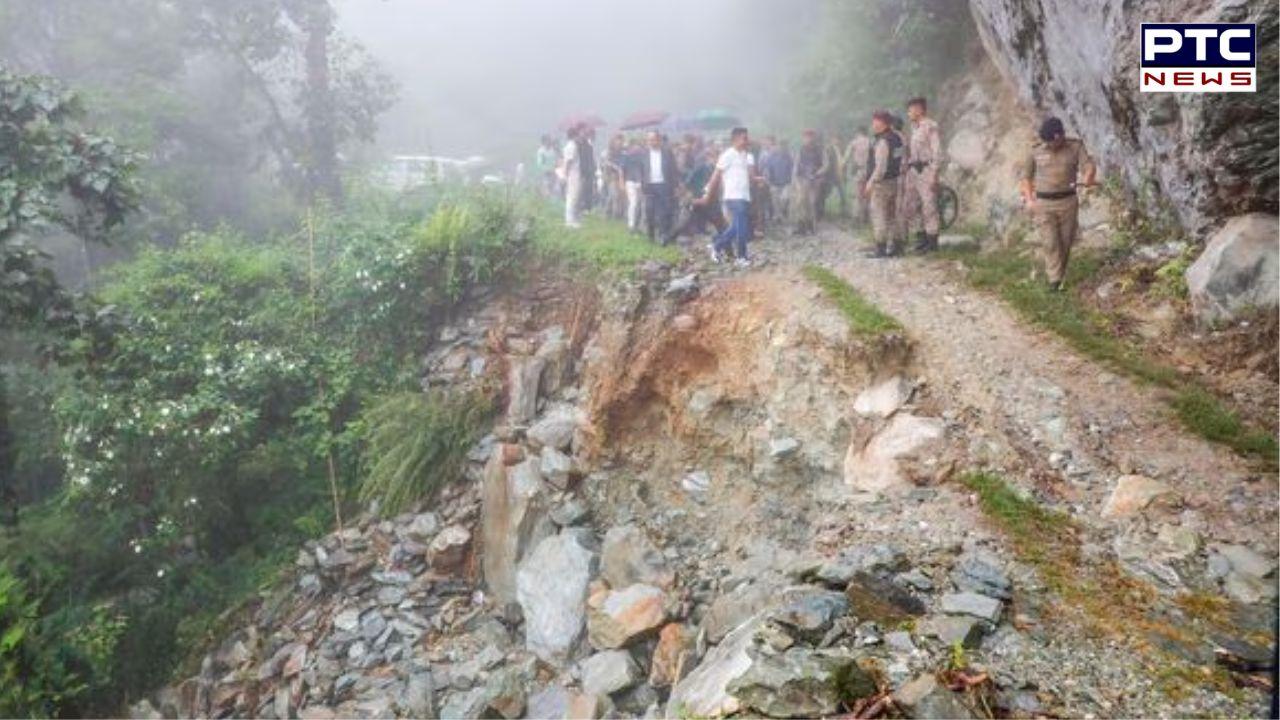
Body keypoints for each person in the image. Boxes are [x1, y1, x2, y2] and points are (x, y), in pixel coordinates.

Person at [1019, 116, 1097, 290]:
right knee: (1050, 241)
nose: (1048, 145)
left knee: (1065, 241)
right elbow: (1026, 178)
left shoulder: (1075, 147)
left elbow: (1088, 165)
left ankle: (1060, 275)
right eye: (1045, 141)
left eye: (1051, 141)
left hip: (1068, 201)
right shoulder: (1035, 151)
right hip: (1044, 203)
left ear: (1060, 136)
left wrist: (1088, 177)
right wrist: (1030, 199)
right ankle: (1054, 281)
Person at [698, 126, 756, 266]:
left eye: (747, 138)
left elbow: (747, 176)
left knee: (736, 227)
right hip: (733, 196)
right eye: (744, 138)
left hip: (743, 195)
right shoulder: (727, 155)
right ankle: (741, 256)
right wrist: (707, 195)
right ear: (735, 139)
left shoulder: (744, 155)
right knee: (741, 226)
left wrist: (758, 180)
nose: (747, 141)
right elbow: (715, 177)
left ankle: (716, 246)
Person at [902, 97, 944, 253]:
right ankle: (921, 238)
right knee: (911, 205)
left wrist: (935, 173)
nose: (909, 113)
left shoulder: (930, 126)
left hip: (926, 169)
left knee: (929, 205)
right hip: (913, 170)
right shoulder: (915, 128)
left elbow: (937, 151)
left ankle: (932, 241)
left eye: (911, 109)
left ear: (919, 109)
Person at [861, 110, 905, 257]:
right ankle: (897, 246)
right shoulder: (898, 138)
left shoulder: (883, 141)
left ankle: (880, 248)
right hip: (895, 181)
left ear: (883, 123)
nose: (873, 124)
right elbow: (903, 158)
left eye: (875, 121)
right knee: (893, 216)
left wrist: (870, 183)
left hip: (881, 184)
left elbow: (880, 167)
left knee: (879, 214)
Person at [671, 147, 726, 241]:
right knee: (685, 222)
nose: (716, 160)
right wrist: (686, 193)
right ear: (709, 157)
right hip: (698, 199)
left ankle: (728, 249)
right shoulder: (701, 167)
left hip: (712, 200)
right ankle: (669, 238)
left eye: (718, 157)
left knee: (720, 225)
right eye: (714, 157)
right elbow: (689, 180)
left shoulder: (717, 169)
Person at [640, 130, 679, 244]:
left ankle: (663, 235)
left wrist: (675, 186)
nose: (652, 142)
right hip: (649, 185)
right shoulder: (644, 154)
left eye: (654, 139)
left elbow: (673, 170)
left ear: (659, 140)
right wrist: (641, 185)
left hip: (664, 185)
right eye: (650, 140)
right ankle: (650, 235)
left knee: (664, 211)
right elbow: (642, 171)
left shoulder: (667, 153)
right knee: (650, 211)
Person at [792, 129, 823, 236]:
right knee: (800, 202)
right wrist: (795, 180)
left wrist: (818, 174)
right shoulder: (800, 149)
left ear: (813, 137)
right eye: (806, 136)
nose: (808, 139)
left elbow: (825, 164)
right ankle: (801, 225)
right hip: (802, 179)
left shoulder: (819, 150)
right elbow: (796, 164)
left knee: (812, 203)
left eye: (810, 136)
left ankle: (811, 225)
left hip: (814, 180)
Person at [842, 130, 871, 225]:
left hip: (858, 170)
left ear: (858, 133)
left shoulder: (854, 142)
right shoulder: (870, 142)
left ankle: (856, 218)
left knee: (857, 195)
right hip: (868, 171)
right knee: (867, 195)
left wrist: (843, 167)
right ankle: (866, 217)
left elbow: (846, 157)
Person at [762, 137, 793, 222]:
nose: (782, 147)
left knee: (784, 198)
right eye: (781, 145)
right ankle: (778, 217)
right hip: (774, 182)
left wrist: (792, 180)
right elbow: (767, 168)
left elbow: (792, 168)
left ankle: (781, 214)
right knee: (775, 202)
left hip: (786, 182)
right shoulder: (772, 156)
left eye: (784, 145)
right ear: (778, 146)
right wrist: (767, 178)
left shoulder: (789, 157)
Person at [816, 130, 845, 220]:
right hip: (829, 175)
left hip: (836, 175)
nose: (837, 141)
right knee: (824, 193)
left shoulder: (839, 149)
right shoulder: (828, 149)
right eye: (835, 139)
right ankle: (819, 211)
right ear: (832, 139)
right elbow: (826, 163)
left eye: (838, 139)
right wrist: (823, 174)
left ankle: (842, 211)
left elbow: (841, 162)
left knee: (839, 193)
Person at [561, 125, 583, 228]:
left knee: (574, 197)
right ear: (574, 136)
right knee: (572, 197)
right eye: (578, 135)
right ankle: (570, 221)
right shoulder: (572, 146)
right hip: (573, 174)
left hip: (574, 173)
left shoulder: (572, 146)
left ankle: (572, 219)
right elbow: (568, 162)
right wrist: (565, 175)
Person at [622, 136, 644, 233]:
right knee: (633, 203)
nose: (637, 147)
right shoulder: (626, 157)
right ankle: (631, 224)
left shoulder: (642, 156)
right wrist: (621, 182)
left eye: (638, 145)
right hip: (630, 181)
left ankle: (637, 224)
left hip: (640, 182)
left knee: (639, 203)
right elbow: (622, 170)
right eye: (635, 145)